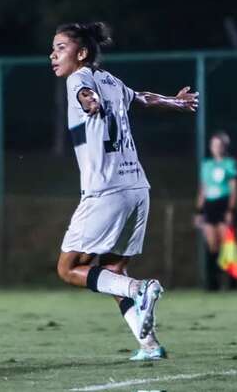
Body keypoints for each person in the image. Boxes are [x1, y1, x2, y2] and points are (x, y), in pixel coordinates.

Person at [50, 22, 198, 361]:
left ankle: (141, 289)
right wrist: (176, 103)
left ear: (82, 53)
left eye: (60, 47)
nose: (53, 54)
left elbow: (84, 95)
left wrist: (89, 103)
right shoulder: (112, 81)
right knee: (112, 272)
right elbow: (143, 99)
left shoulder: (79, 79)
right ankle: (149, 345)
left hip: (106, 191)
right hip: (137, 189)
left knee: (68, 268)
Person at [194, 131, 237, 291]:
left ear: (224, 147)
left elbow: (234, 188)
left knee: (226, 244)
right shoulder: (206, 165)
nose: (216, 148)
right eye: (214, 145)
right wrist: (198, 212)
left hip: (224, 205)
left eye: (219, 145)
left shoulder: (230, 164)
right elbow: (203, 189)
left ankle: (233, 281)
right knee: (212, 245)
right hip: (209, 206)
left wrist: (230, 210)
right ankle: (213, 282)